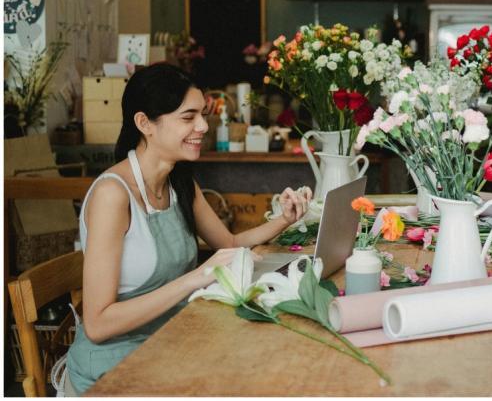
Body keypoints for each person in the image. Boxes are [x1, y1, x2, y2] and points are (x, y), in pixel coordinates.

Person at [66, 64, 312, 394]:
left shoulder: (179, 182)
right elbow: (97, 324)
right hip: (114, 369)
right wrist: (196, 277)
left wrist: (284, 218)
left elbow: (231, 242)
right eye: (188, 117)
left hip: (169, 344)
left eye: (202, 114)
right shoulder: (113, 195)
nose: (202, 126)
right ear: (144, 124)